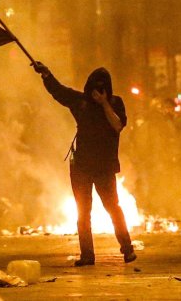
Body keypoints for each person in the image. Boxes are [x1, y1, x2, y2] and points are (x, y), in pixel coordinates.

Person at [33, 61, 137, 266]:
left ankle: (127, 248)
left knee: (113, 207)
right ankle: (87, 255)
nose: (97, 92)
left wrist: (105, 103)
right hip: (81, 166)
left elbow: (117, 125)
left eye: (102, 88)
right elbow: (59, 92)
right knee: (83, 212)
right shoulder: (80, 102)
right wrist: (46, 74)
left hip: (104, 167)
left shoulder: (116, 103)